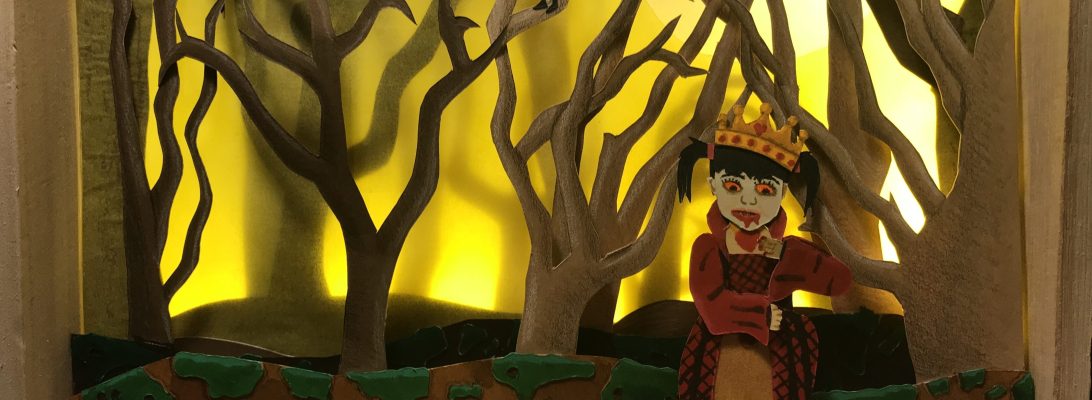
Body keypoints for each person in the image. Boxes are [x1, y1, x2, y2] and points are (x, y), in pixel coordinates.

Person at [676, 103, 852, 399]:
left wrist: (786, 254)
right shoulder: (708, 247)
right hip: (720, 349)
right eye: (733, 187)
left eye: (765, 191)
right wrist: (760, 314)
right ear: (714, 186)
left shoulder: (786, 250)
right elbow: (710, 303)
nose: (748, 201)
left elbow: (839, 281)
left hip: (780, 349)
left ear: (782, 192)